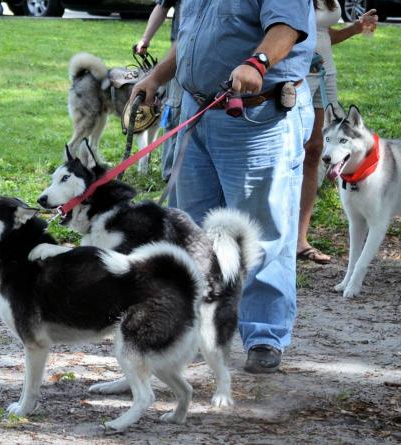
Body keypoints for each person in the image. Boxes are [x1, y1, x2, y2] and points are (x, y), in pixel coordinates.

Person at [130, 1, 315, 375]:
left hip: (255, 117)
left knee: (261, 232)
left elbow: (287, 28)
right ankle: (194, 331)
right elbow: (192, 38)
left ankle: (264, 335)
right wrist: (157, 77)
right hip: (197, 115)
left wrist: (257, 63)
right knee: (192, 233)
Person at [296, 3, 378, 265]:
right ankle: (276, 236)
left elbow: (324, 34)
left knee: (315, 150)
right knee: (290, 149)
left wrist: (355, 28)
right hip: (297, 74)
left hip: (323, 73)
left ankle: (299, 240)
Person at [134, 0, 182, 203]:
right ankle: (170, 175)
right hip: (178, 58)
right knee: (173, 114)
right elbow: (162, 5)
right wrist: (145, 38)